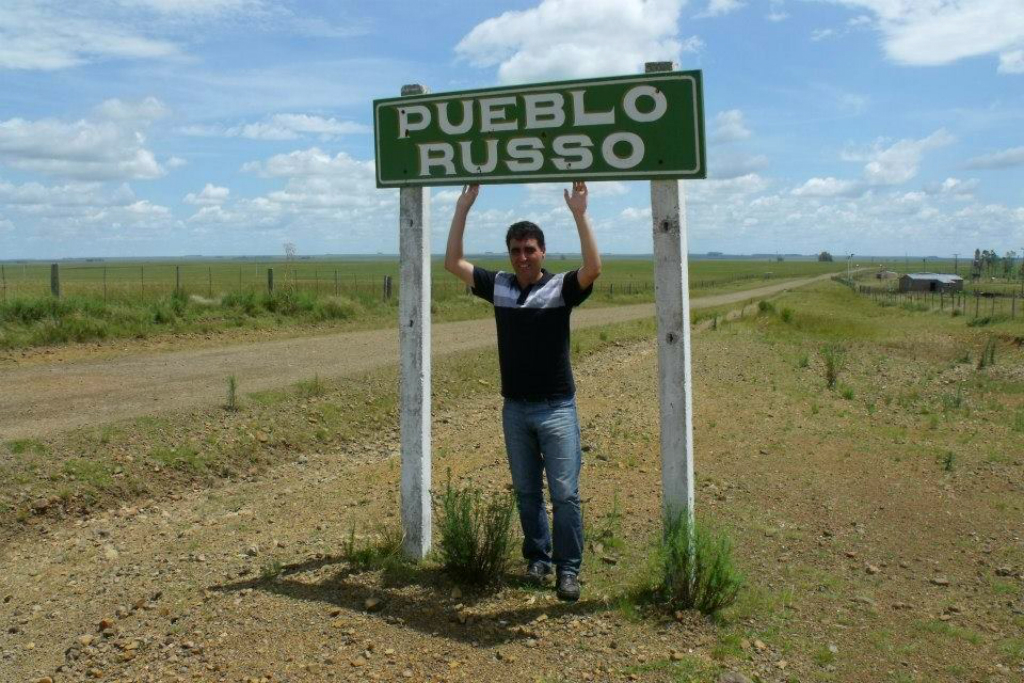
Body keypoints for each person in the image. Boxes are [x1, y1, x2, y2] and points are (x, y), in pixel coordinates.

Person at [443, 181, 602, 602]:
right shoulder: (498, 286)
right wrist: (464, 206)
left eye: (530, 249)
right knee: (527, 491)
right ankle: (538, 558)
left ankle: (568, 570)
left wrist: (580, 213)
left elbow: (592, 269)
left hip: (556, 407)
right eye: (515, 250)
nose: (523, 256)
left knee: (565, 493)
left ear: (542, 252)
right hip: (515, 408)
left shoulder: (560, 288)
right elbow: (452, 261)